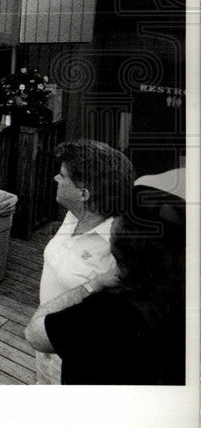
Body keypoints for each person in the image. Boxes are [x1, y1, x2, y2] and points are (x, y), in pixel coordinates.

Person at [25, 204, 185, 385]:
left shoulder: (107, 310)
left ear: (120, 245)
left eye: (118, 221)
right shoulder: (181, 304)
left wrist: (94, 284)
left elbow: (34, 334)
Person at [32, 139, 136, 383]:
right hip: (45, 340)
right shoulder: (73, 215)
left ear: (83, 193)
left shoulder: (117, 246)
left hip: (76, 358)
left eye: (62, 175)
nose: (56, 179)